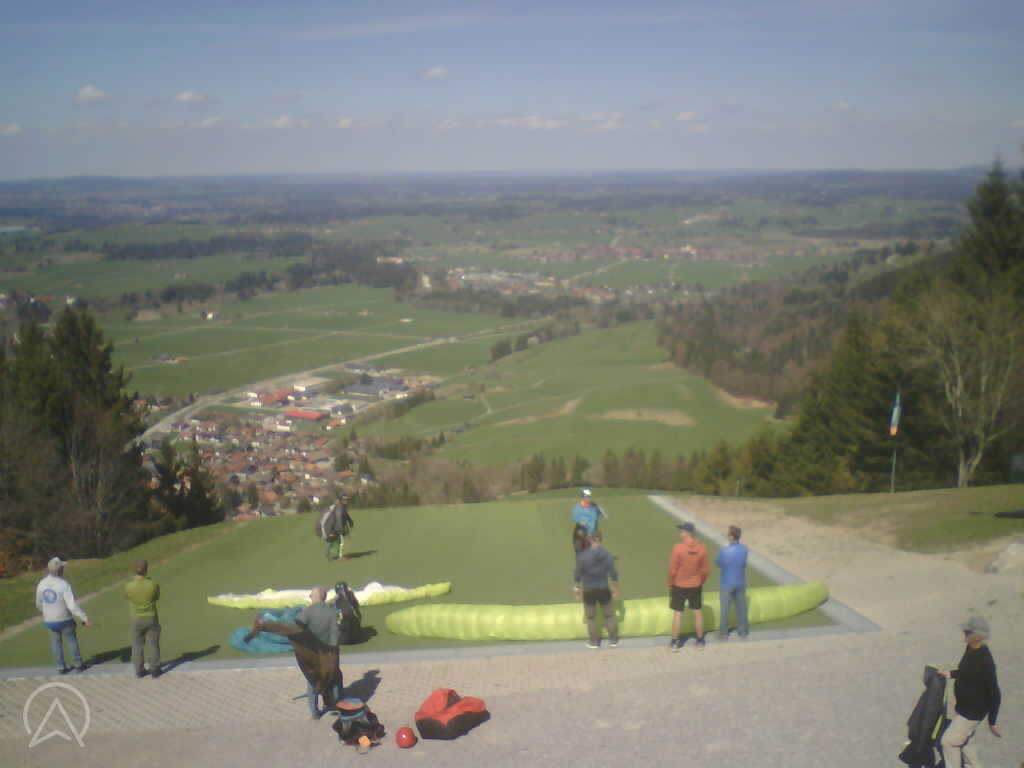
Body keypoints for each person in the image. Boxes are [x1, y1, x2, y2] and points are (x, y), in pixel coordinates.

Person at [255, 586, 344, 719]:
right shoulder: (331, 612)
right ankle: (336, 706)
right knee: (335, 677)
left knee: (312, 682)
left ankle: (315, 713)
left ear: (314, 597)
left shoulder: (306, 613)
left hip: (312, 654)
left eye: (311, 595)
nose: (310, 597)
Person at [940, 616, 1003, 768]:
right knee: (966, 741)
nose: (964, 634)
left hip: (972, 712)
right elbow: (965, 671)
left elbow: (995, 692)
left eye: (968, 632)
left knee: (948, 742)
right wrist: (949, 674)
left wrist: (992, 721)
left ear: (978, 637)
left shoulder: (985, 660)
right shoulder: (971, 649)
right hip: (965, 707)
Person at [35, 556, 91, 674]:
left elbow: (38, 603)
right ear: (59, 570)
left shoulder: (41, 583)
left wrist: (47, 613)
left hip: (49, 620)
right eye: (62, 567)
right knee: (71, 641)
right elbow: (72, 606)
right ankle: (78, 664)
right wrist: (84, 618)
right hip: (64, 619)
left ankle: (61, 667)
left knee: (56, 643)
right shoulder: (64, 584)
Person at [573, 531, 620, 649]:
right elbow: (613, 573)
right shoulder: (607, 554)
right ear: (601, 540)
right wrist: (615, 588)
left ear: (590, 539)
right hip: (603, 588)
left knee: (590, 617)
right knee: (609, 615)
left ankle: (594, 642)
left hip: (589, 589)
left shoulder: (583, 556)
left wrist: (577, 589)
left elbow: (577, 574)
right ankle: (613, 641)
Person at [667, 522, 709, 651]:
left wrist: (670, 584)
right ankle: (700, 641)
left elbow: (672, 570)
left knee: (678, 614)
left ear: (687, 533)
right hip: (696, 585)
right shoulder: (702, 548)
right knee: (697, 612)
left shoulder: (678, 548)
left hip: (679, 585)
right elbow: (705, 570)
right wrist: (700, 581)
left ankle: (674, 643)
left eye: (681, 531)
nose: (679, 533)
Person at [124, 559, 161, 678]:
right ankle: (155, 669)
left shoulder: (129, 586)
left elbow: (127, 597)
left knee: (137, 645)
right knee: (153, 643)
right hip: (151, 616)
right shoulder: (152, 584)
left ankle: (139, 670)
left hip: (136, 618)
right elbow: (157, 596)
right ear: (146, 570)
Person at [715, 525, 749, 640]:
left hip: (726, 583)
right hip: (740, 583)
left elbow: (718, 563)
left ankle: (723, 633)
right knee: (741, 609)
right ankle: (743, 632)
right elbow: (743, 564)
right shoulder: (744, 549)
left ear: (731, 536)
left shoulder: (724, 550)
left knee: (725, 609)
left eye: (728, 534)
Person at [316, 496, 354, 561]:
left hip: (328, 529)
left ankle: (330, 552)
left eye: (347, 500)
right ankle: (339, 556)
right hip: (331, 529)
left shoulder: (336, 507)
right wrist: (342, 529)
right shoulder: (339, 508)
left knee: (336, 540)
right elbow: (339, 519)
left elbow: (345, 514)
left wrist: (350, 521)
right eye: (344, 500)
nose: (346, 501)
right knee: (340, 541)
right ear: (341, 500)